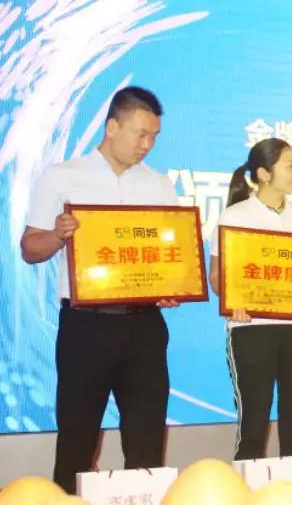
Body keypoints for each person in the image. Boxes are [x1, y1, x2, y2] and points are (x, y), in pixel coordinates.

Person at [21, 87, 180, 493]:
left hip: (145, 327)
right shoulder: (63, 177)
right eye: (140, 134)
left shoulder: (160, 185)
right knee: (77, 440)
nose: (147, 145)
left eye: (154, 136)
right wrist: (58, 234)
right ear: (112, 127)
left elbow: (169, 254)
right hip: (86, 326)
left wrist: (170, 286)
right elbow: (30, 249)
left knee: (146, 443)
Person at [208, 138, 292, 460]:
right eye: (289, 165)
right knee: (253, 426)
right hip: (252, 328)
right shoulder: (235, 216)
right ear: (264, 174)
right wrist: (233, 300)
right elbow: (217, 275)